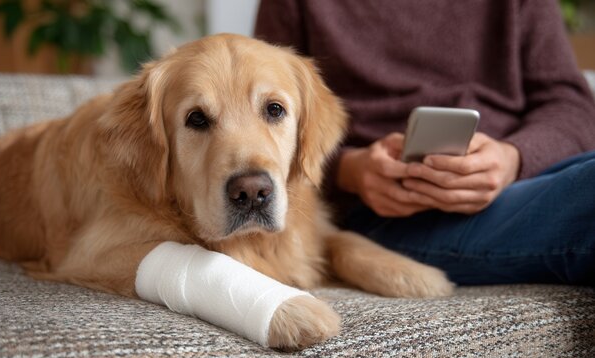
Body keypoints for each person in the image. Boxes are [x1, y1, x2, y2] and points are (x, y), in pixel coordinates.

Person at [255, 0, 595, 285]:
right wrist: (350, 171)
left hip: (527, 180)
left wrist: (514, 158)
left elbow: (573, 105)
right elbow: (265, 131)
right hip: (388, 212)